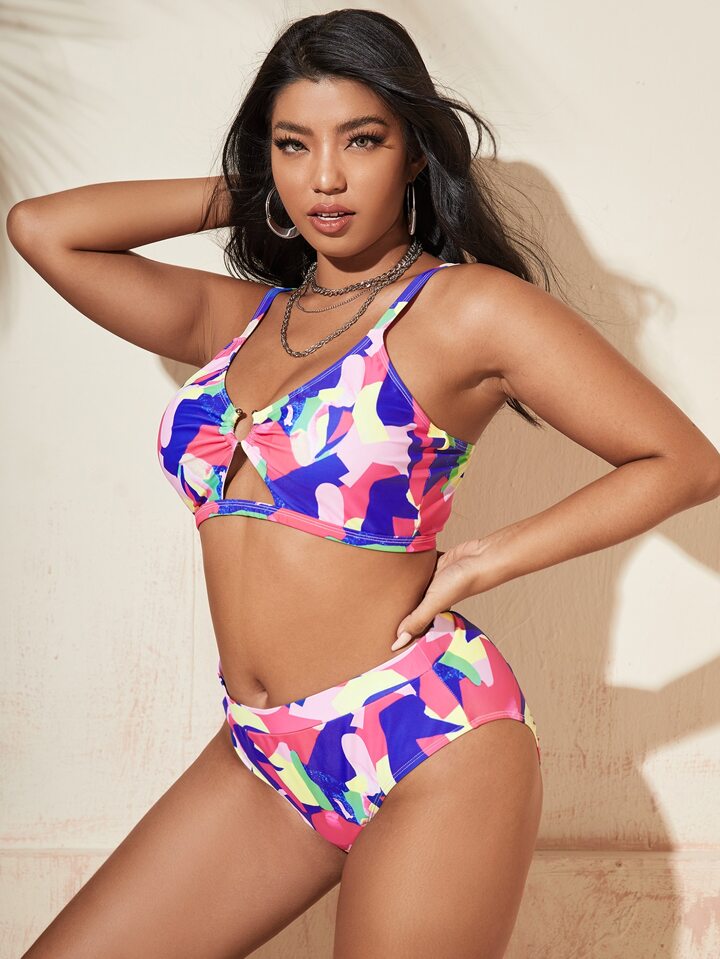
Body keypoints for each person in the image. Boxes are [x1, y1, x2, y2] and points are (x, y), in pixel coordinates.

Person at [7, 8, 720, 959]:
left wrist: (484, 559)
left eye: (362, 140)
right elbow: (44, 229)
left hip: (432, 740)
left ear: (415, 151)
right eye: (294, 144)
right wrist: (259, 188)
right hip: (265, 751)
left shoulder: (466, 309)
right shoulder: (241, 320)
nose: (327, 178)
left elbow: (682, 461)